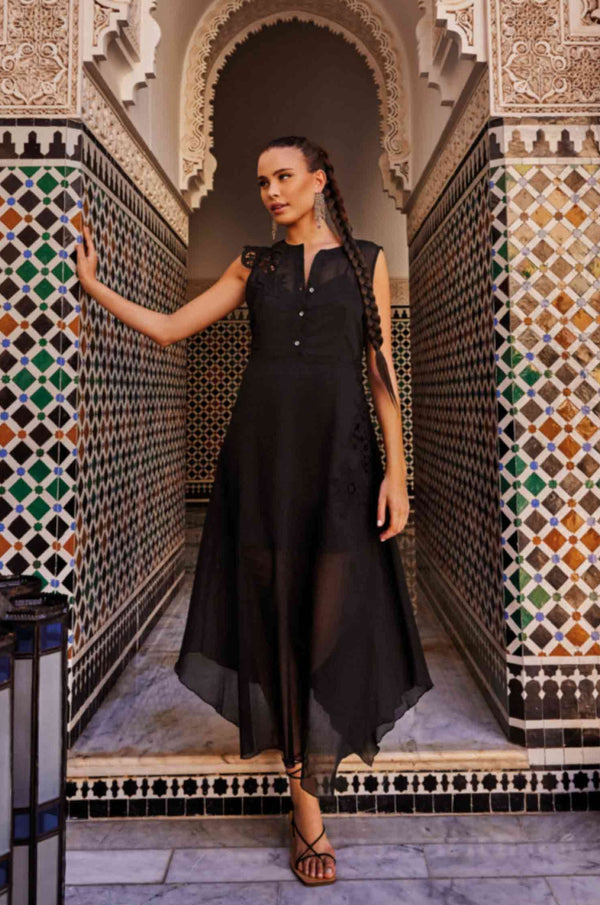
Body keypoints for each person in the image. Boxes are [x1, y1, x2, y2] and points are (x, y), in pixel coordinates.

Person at [76, 135, 434, 886]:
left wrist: (398, 474)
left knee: (326, 625)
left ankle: (312, 765)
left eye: (283, 176)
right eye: (262, 180)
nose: (271, 190)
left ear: (318, 180)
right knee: (278, 625)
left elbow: (380, 372)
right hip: (260, 465)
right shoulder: (253, 265)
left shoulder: (366, 260)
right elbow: (171, 327)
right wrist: (95, 286)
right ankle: (306, 810)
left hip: (340, 463)